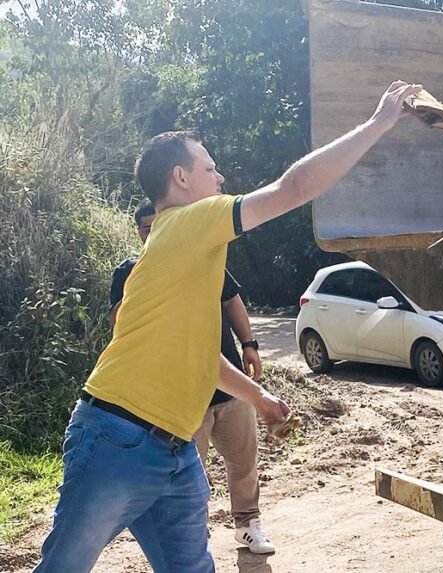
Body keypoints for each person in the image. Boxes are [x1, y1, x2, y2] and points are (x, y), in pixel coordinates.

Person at [35, 80, 422, 572]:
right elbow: (292, 189)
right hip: (118, 437)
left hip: (174, 453)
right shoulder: (191, 221)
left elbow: (197, 356)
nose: (221, 178)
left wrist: (258, 398)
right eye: (211, 168)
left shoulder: (179, 246)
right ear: (181, 178)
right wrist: (378, 123)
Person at [109, 201, 274, 553]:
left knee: (243, 461)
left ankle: (248, 524)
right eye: (147, 228)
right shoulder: (129, 272)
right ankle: (194, 538)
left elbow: (232, 301)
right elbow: (120, 326)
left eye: (162, 223)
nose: (155, 232)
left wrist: (250, 344)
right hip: (181, 395)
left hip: (230, 385)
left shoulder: (203, 256)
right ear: (138, 232)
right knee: (188, 477)